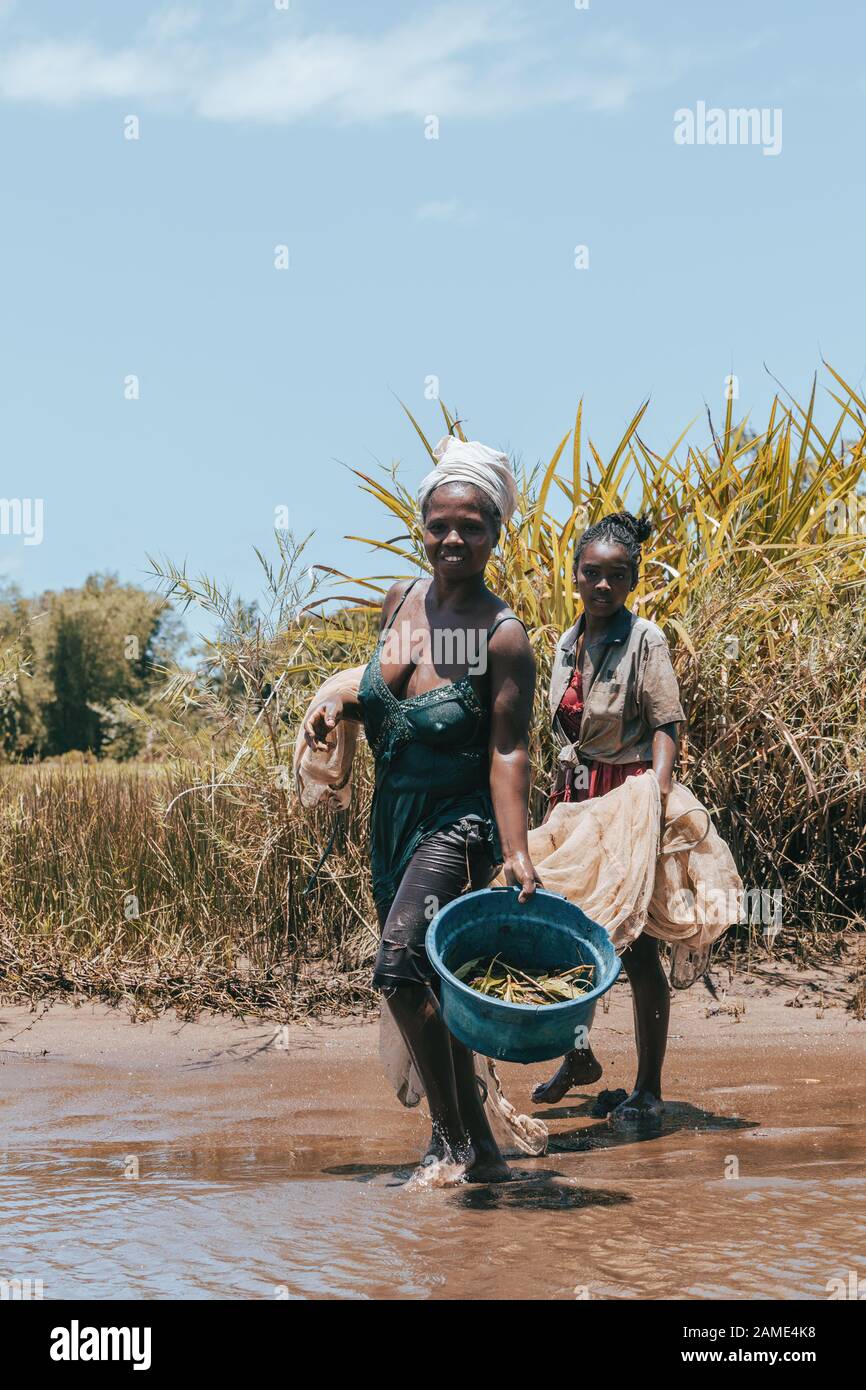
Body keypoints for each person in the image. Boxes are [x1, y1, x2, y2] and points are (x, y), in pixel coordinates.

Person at [304, 436, 542, 1182]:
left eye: (472, 526)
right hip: (393, 823)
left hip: (458, 825)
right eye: (440, 524)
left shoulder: (503, 637)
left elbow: (508, 752)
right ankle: (485, 1154)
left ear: (496, 533)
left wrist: (517, 850)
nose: (453, 539)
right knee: (435, 984)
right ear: (422, 526)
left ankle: (451, 1141)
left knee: (400, 970)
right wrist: (337, 714)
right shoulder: (400, 600)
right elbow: (384, 697)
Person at [531, 511, 685, 1124]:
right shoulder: (566, 644)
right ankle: (579, 1056)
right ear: (575, 576)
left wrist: (657, 797)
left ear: (631, 580)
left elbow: (667, 724)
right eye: (591, 573)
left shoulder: (645, 639)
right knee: (568, 934)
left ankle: (648, 1087)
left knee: (637, 942)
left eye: (615, 576)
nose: (601, 586)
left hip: (628, 795)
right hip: (574, 799)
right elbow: (560, 731)